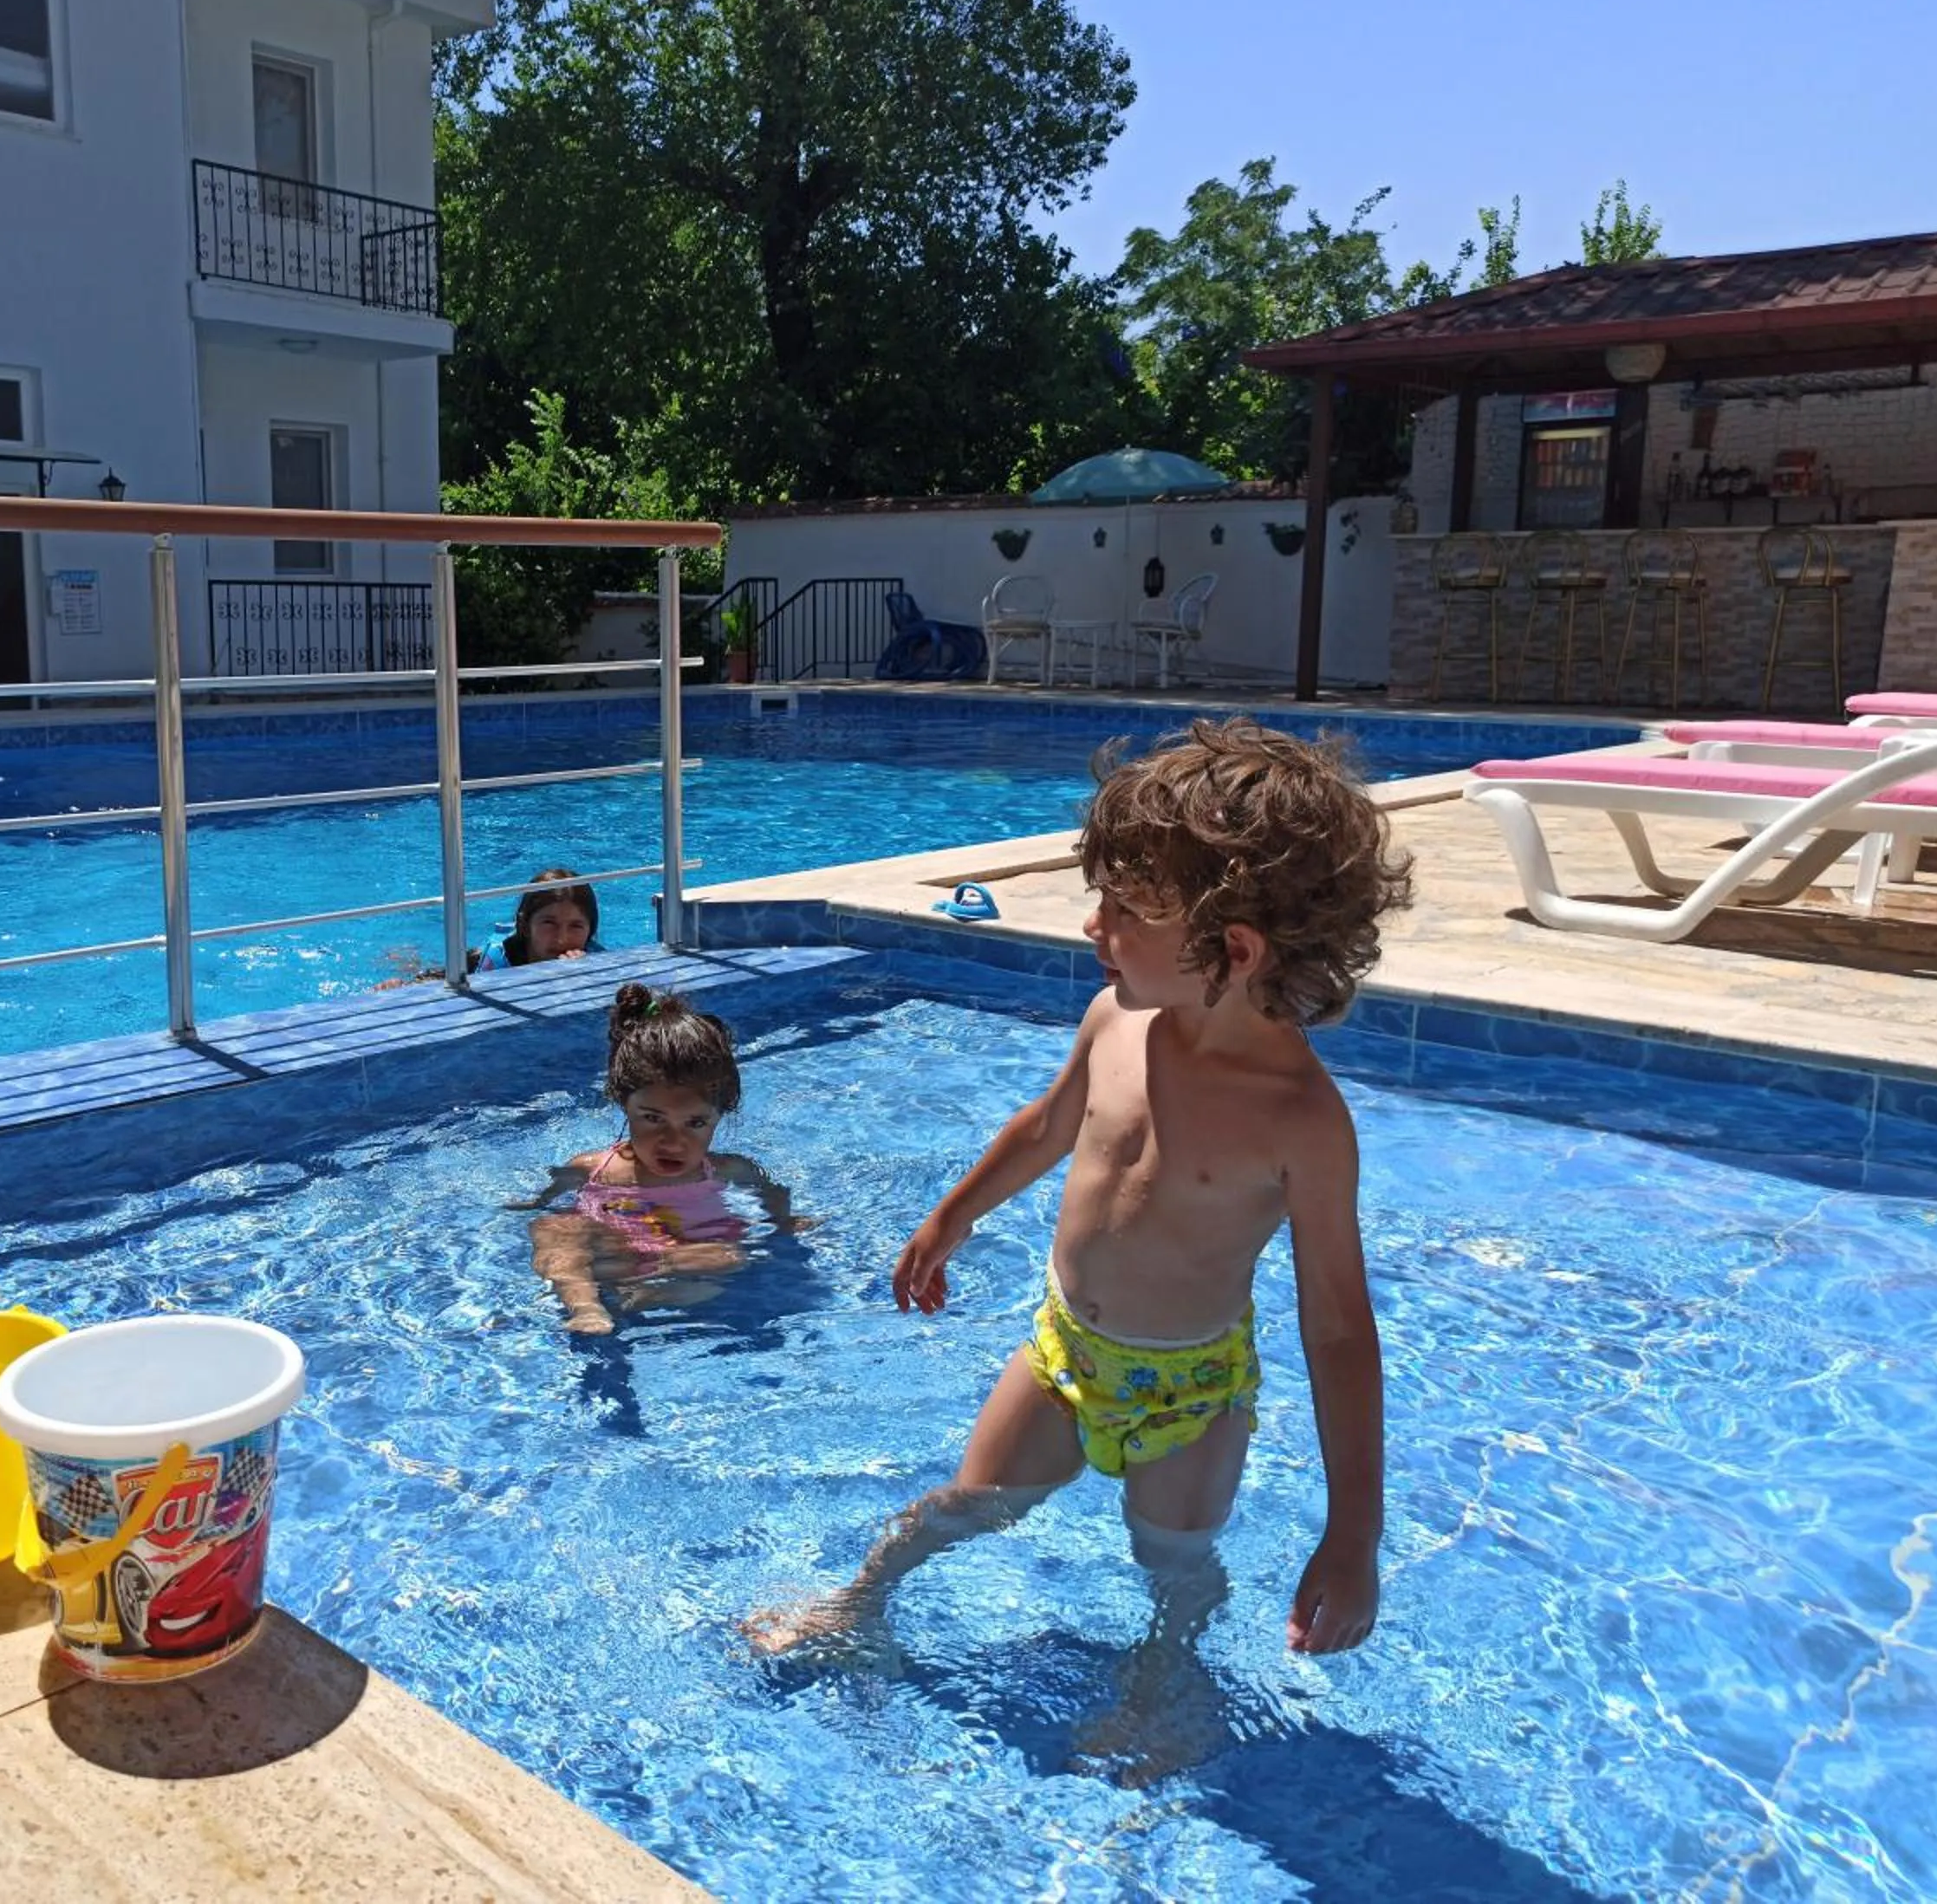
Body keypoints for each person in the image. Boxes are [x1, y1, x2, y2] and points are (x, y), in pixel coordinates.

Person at [744, 717, 1413, 1677]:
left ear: (1232, 947)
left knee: (1174, 1563)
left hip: (1190, 1390)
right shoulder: (1116, 1018)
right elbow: (1049, 1126)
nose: (1094, 929)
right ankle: (855, 1608)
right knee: (962, 1506)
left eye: (1123, 912)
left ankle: (1165, 1683)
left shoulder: (1300, 1121)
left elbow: (1340, 1331)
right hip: (1065, 1350)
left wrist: (1353, 1537)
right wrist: (955, 1215)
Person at [529, 981, 799, 1337]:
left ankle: (630, 1299)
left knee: (725, 1257)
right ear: (623, 1101)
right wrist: (531, 1206)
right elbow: (545, 1204)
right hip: (616, 1259)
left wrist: (787, 1224)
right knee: (553, 1229)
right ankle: (586, 1308)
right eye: (653, 1119)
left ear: (720, 1116)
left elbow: (774, 1195)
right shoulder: (592, 1169)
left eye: (696, 1123)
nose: (673, 1141)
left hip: (688, 1266)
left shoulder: (727, 1169)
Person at [472, 868, 601, 971]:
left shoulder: (593, 956)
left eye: (576, 926)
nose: (562, 939)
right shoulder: (497, 962)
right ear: (525, 926)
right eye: (549, 923)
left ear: (590, 930)